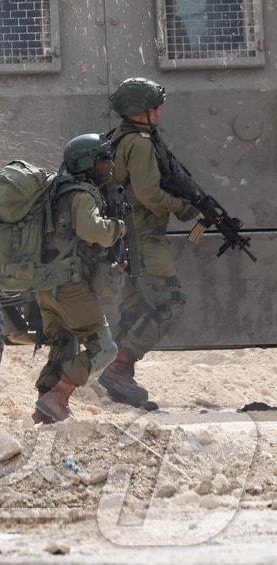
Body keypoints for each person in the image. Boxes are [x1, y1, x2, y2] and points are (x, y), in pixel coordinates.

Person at [98, 77, 202, 410]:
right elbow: (148, 194)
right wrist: (182, 207)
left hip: (128, 236)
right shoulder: (140, 143)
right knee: (170, 303)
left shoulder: (123, 138)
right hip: (144, 237)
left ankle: (115, 381)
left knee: (133, 309)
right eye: (154, 106)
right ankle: (119, 369)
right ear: (140, 112)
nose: (159, 111)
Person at [32, 134, 126, 424]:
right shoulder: (82, 194)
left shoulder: (58, 191)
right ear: (88, 163)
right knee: (105, 349)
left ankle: (44, 409)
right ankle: (58, 396)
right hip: (70, 285)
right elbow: (90, 230)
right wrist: (117, 228)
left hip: (46, 286)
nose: (110, 164)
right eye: (103, 159)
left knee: (64, 345)